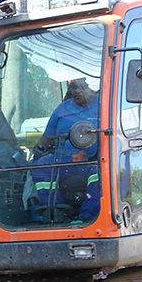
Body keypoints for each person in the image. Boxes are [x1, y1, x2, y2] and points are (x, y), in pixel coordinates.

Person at [28, 78, 101, 222]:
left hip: (92, 160)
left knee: (99, 172)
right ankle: (59, 211)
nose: (78, 91)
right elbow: (47, 138)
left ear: (94, 87)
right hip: (63, 160)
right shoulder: (62, 109)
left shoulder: (104, 106)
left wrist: (84, 153)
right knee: (39, 167)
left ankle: (87, 216)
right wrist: (38, 150)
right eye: (74, 88)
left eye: (83, 87)